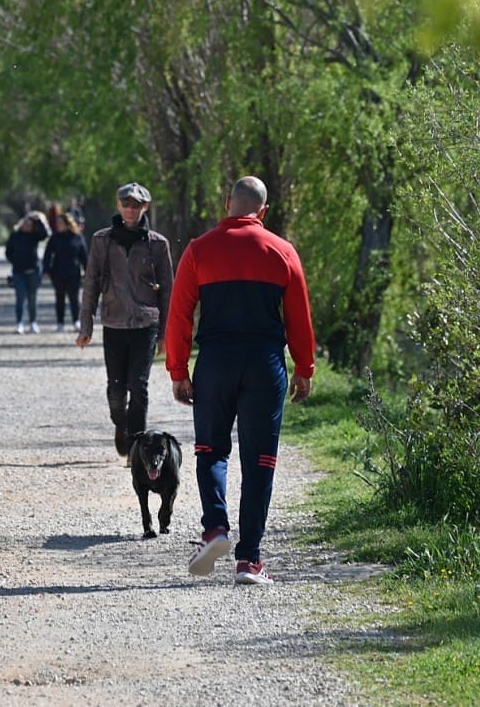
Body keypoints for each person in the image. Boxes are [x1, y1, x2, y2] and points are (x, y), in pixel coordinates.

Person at [164, 176, 315, 586]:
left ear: (227, 201)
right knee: (260, 460)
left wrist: (178, 371)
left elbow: (179, 315)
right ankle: (249, 560)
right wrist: (304, 368)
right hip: (265, 364)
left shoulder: (199, 250)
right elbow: (299, 317)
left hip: (216, 362)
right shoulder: (282, 251)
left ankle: (215, 528)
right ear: (263, 211)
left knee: (211, 449)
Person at [76, 183, 173, 457]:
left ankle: (136, 447)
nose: (131, 209)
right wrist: (86, 326)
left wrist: (166, 334)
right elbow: (91, 283)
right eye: (126, 204)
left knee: (138, 386)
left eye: (136, 205)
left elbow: (168, 292)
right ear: (118, 205)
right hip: (114, 323)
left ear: (145, 207)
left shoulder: (158, 244)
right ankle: (122, 424)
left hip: (146, 324)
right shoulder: (102, 241)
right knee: (116, 391)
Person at [5, 210, 51, 334]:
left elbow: (45, 234)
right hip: (18, 272)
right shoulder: (15, 235)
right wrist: (15, 261)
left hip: (34, 271)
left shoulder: (35, 236)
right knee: (20, 297)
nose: (27, 226)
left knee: (32, 298)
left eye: (30, 225)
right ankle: (19, 323)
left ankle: (33, 322)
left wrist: (38, 221)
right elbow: (8, 252)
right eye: (26, 223)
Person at [42, 211, 88, 332]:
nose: (58, 225)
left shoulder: (77, 237)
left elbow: (83, 256)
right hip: (57, 272)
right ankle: (60, 322)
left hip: (74, 273)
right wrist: (46, 270)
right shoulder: (54, 238)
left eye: (61, 223)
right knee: (59, 298)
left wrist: (88, 271)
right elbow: (47, 255)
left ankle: (76, 321)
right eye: (58, 223)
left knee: (74, 298)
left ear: (68, 224)